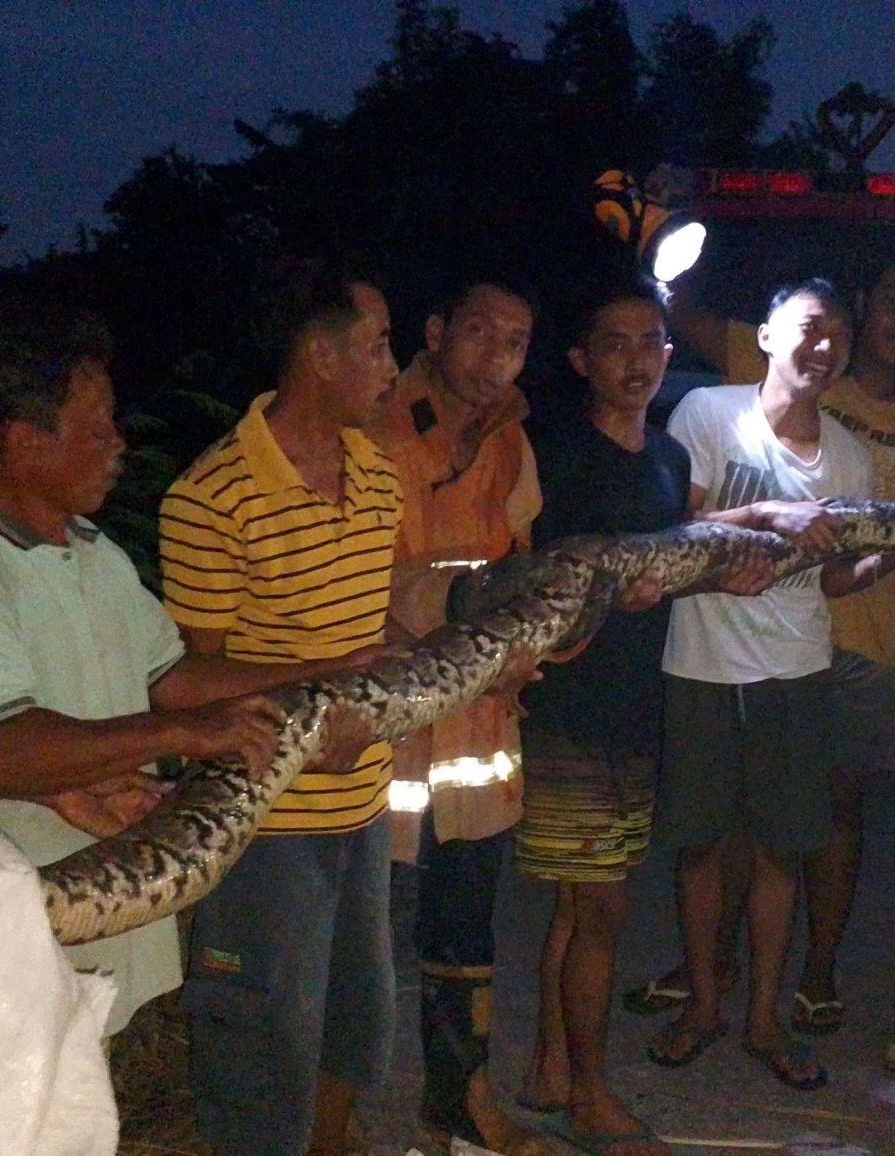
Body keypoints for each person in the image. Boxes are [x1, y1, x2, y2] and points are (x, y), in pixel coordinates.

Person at [0, 296, 285, 1037]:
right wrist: (186, 732)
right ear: (24, 440)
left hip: (88, 920)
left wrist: (329, 672)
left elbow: (171, 676)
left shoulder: (92, 554)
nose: (118, 444)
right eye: (97, 426)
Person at [158, 263, 403, 1156]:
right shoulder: (210, 497)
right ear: (319, 354)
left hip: (364, 807)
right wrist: (330, 677)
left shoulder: (376, 475)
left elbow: (377, 627)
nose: (393, 363)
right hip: (266, 821)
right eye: (377, 345)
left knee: (355, 1023)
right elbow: (185, 679)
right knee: (262, 1048)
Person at [625, 261, 895, 1044]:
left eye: (838, 336)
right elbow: (673, 532)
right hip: (702, 665)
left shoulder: (847, 456)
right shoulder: (707, 412)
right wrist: (770, 513)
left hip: (797, 668)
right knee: (703, 846)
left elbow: (837, 577)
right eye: (813, 328)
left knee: (782, 848)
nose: (827, 346)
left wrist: (882, 557)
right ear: (769, 336)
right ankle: (705, 1004)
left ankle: (764, 1019)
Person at [515, 280, 690, 1155]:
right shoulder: (552, 457)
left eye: (651, 342)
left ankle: (550, 1069)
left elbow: (683, 561)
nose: (636, 360)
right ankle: (588, 1094)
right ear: (581, 360)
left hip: (635, 711)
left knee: (576, 909)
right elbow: (534, 584)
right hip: (565, 716)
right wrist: (609, 593)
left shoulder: (669, 459)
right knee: (601, 914)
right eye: (614, 344)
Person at [372, 281, 546, 1154]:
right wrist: (466, 601)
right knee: (351, 933)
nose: (495, 353)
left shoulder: (512, 439)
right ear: (435, 330)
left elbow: (521, 562)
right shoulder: (372, 420)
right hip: (380, 725)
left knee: (465, 926)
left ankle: (459, 1103)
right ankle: (331, 1120)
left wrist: (534, 646)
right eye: (479, 330)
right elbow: (359, 569)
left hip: (478, 726)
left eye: (515, 340)